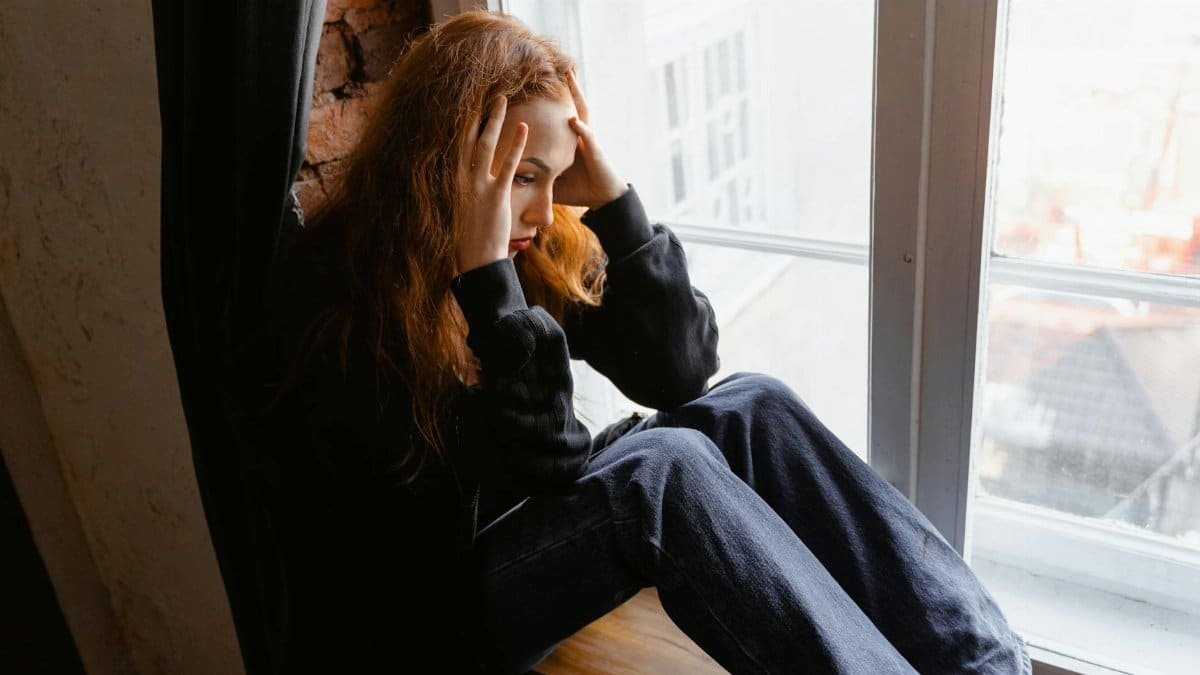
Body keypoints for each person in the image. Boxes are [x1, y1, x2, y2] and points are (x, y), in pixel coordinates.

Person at [251, 9, 1031, 674]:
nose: (541, 208)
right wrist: (485, 284)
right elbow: (544, 465)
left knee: (750, 403)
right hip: (423, 620)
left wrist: (615, 203)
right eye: (523, 176)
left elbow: (680, 371)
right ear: (441, 159)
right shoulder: (341, 297)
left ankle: (984, 661)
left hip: (512, 529)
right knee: (665, 471)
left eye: (556, 174)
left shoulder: (527, 243)